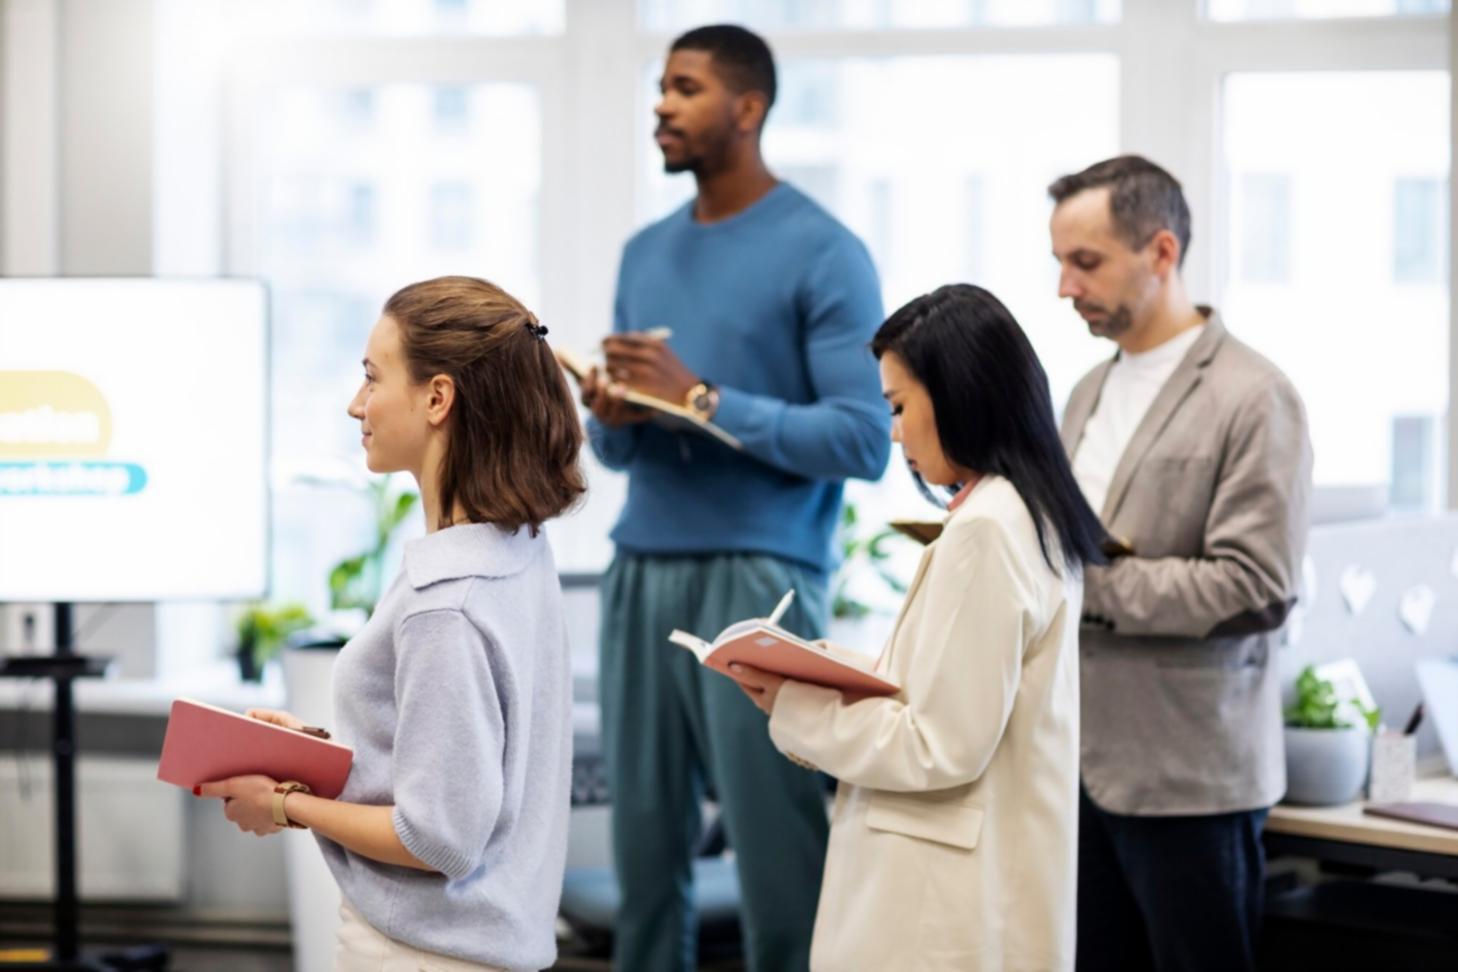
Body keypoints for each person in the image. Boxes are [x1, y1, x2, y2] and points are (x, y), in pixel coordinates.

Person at [580, 23, 890, 972]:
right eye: (660, 88)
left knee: (780, 860)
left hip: (763, 580)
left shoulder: (825, 252)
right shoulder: (644, 253)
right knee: (642, 855)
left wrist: (701, 398)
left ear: (747, 108)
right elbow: (618, 450)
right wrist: (617, 415)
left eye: (685, 88)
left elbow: (864, 439)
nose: (661, 106)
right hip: (640, 572)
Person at [199, 275, 585, 972]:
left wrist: (286, 803)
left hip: (423, 955)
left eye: (373, 379)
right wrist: (322, 757)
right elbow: (469, 768)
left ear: (438, 398)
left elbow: (438, 840)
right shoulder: (512, 547)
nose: (356, 405)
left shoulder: (448, 604)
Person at [730, 283, 1106, 971]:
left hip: (938, 908)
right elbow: (956, 698)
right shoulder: (1025, 513)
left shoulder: (989, 530)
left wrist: (797, 704)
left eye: (899, 407)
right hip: (968, 888)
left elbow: (940, 744)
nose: (895, 432)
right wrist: (832, 670)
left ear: (960, 392)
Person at [1049, 155, 1313, 972]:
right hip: (1079, 767)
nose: (1064, 287)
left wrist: (1083, 583)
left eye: (1084, 262)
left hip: (1190, 778)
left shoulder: (1253, 395)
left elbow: (1256, 587)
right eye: (1059, 262)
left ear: (1161, 253)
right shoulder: (1087, 390)